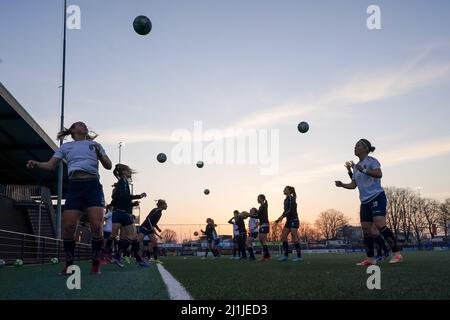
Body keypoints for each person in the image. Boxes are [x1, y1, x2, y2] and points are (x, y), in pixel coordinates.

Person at [26, 121, 112, 274]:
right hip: (75, 187)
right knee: (68, 226)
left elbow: (109, 165)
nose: (84, 125)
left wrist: (99, 153)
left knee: (97, 226)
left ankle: (95, 265)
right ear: (73, 130)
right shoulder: (66, 147)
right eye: (80, 124)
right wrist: (36, 164)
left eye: (85, 124)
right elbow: (50, 165)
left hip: (93, 186)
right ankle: (69, 266)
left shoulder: (95, 144)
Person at [335, 139, 402, 265]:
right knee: (366, 229)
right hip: (364, 201)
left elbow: (379, 174)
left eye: (358, 145)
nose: (355, 147)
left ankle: (397, 254)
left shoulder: (372, 161)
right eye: (355, 145)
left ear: (365, 149)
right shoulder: (356, 168)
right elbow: (353, 185)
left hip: (377, 196)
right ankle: (371, 258)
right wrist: (342, 184)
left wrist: (364, 170)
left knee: (379, 222)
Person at [345, 161, 390, 261]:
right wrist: (350, 171)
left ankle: (384, 252)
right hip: (367, 201)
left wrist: (357, 169)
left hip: (375, 199)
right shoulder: (358, 174)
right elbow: (356, 181)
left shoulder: (368, 166)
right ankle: (383, 252)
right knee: (372, 231)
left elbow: (362, 178)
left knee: (374, 230)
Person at [109, 164, 148, 267]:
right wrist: (138, 196)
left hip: (119, 212)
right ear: (124, 172)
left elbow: (118, 198)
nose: (130, 172)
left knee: (131, 237)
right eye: (129, 170)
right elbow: (123, 196)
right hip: (123, 213)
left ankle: (138, 259)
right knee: (132, 236)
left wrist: (132, 204)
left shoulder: (122, 183)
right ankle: (117, 256)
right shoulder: (123, 182)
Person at [275, 186, 303, 262]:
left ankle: (299, 257)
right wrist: (279, 218)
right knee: (283, 237)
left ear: (289, 191)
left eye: (285, 189)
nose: (283, 190)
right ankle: (286, 256)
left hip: (294, 219)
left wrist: (282, 216)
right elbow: (285, 211)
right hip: (288, 221)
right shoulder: (286, 199)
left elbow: (290, 210)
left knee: (294, 237)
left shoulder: (291, 198)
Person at [254, 194, 271, 261]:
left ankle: (265, 257)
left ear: (261, 198)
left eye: (258, 198)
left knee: (263, 240)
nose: (257, 199)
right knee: (261, 240)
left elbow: (257, 215)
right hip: (262, 224)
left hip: (264, 224)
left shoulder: (263, 206)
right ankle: (267, 256)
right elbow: (258, 215)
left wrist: (249, 215)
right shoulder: (262, 206)